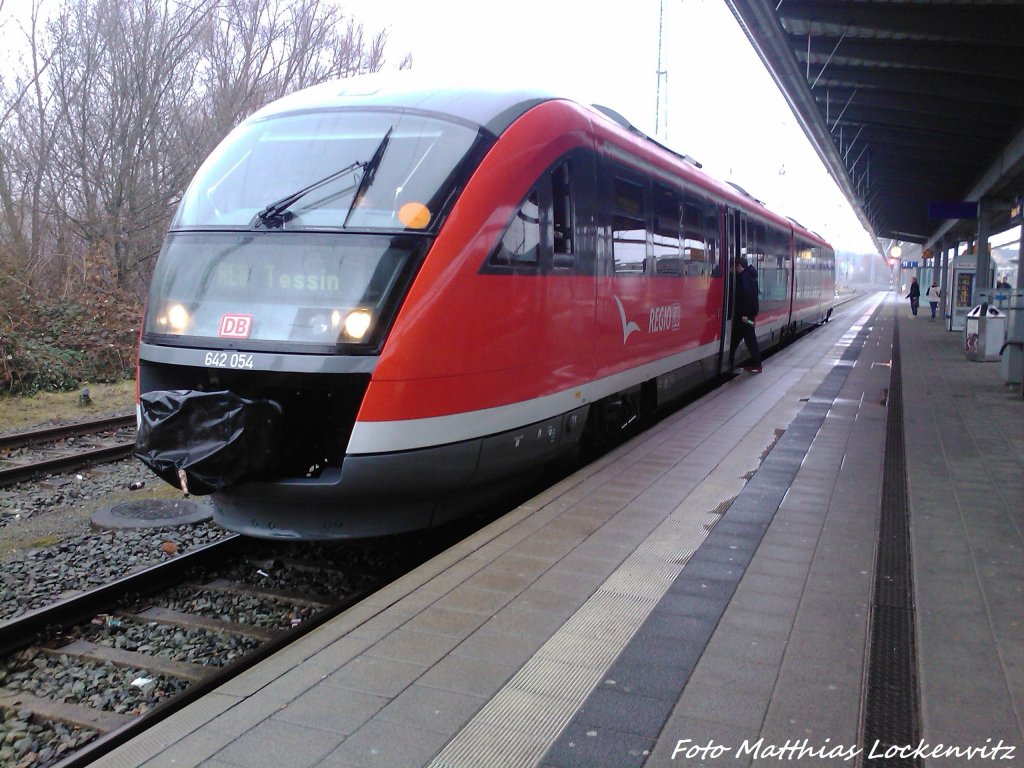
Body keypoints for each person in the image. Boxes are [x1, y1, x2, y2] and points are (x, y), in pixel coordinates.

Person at [730, 255, 762, 373]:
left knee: (749, 339)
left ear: (739, 265)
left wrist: (744, 315)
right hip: (748, 315)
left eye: (734, 267)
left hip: (745, 316)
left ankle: (757, 365)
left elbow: (746, 297)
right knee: (738, 339)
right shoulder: (751, 276)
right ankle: (730, 362)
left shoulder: (743, 278)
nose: (734, 270)